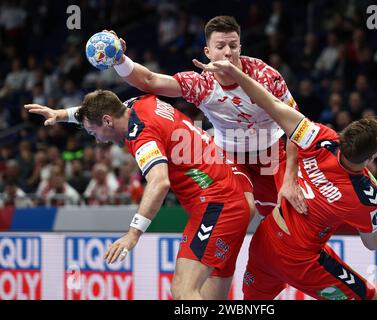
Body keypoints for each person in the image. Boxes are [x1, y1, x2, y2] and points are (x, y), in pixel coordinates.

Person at [193, 59, 377, 300]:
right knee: (373, 297)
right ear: (370, 159)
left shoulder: (321, 138)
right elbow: (373, 241)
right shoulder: (366, 195)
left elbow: (271, 103)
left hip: (264, 245)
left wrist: (235, 73)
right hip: (302, 262)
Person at [24, 89, 250, 300]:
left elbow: (160, 182)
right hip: (233, 195)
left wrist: (133, 234)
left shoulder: (141, 136)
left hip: (216, 204)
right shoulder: (138, 104)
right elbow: (100, 108)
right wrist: (61, 114)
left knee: (182, 291)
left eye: (95, 132)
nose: (98, 140)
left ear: (107, 121)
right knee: (209, 294)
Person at [107, 15, 305, 219]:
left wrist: (290, 178)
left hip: (271, 153)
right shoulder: (202, 86)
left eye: (233, 45)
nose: (228, 52)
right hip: (230, 156)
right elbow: (149, 80)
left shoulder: (266, 76)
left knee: (288, 218)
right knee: (243, 209)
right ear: (207, 52)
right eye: (220, 47)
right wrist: (120, 59)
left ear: (240, 48)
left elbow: (298, 125)